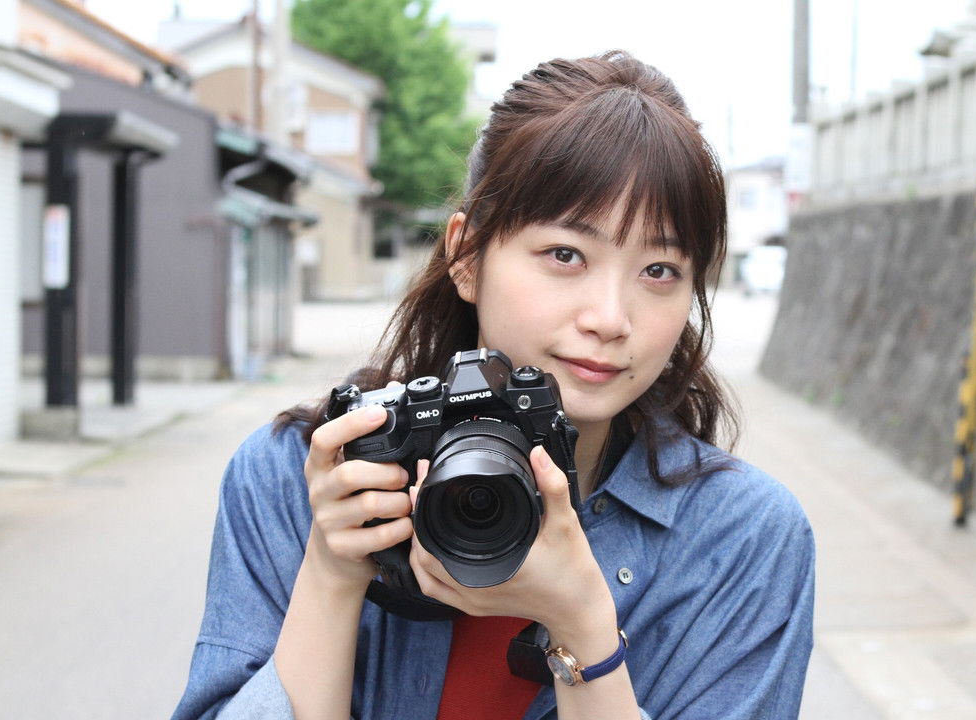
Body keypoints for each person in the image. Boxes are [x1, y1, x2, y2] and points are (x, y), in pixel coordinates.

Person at [173, 50, 815, 720]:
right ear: (467, 256)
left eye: (659, 270)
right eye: (565, 255)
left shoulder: (744, 540)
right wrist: (332, 577)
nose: (610, 319)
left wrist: (583, 628)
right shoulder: (299, 478)